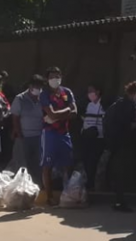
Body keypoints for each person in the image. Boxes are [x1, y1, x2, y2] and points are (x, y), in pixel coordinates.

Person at [104, 81, 136, 212]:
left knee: (118, 172)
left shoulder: (118, 104)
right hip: (123, 143)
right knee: (121, 173)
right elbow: (124, 125)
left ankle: (119, 200)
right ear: (135, 94)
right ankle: (120, 202)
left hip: (115, 143)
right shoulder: (126, 106)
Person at [40, 67, 77, 206]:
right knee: (47, 166)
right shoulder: (44, 94)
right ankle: (49, 197)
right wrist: (67, 110)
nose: (55, 79)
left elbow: (75, 112)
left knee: (68, 164)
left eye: (57, 76)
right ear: (47, 79)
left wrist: (59, 114)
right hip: (49, 133)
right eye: (51, 77)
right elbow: (51, 114)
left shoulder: (67, 92)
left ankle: (68, 194)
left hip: (64, 133)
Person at [11, 75, 46, 172]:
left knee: (37, 164)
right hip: (24, 136)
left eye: (40, 87)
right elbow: (15, 118)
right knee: (22, 165)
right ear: (30, 86)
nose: (39, 89)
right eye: (37, 87)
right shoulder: (20, 98)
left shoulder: (43, 98)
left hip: (39, 136)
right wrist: (20, 135)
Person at [80, 84, 106, 190]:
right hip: (87, 137)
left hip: (99, 138)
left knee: (96, 162)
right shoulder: (89, 105)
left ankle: (95, 185)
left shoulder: (104, 105)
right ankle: (89, 183)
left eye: (92, 91)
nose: (90, 94)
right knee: (87, 161)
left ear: (98, 92)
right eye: (88, 91)